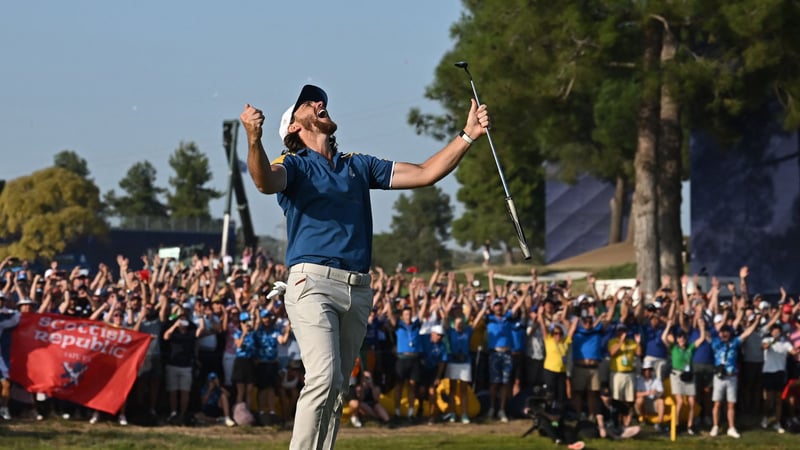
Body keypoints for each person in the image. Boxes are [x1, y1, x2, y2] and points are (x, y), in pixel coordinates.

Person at [240, 84, 490, 450]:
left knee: (339, 385)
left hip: (357, 288)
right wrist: (253, 139)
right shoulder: (290, 164)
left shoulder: (357, 165)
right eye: (308, 103)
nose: (319, 102)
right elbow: (264, 182)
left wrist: (469, 135)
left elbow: (424, 173)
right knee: (324, 377)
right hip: (312, 283)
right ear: (294, 127)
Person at [661, 315, 706, 434]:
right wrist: (668, 326)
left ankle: (690, 426)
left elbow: (701, 339)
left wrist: (701, 327)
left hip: (688, 375)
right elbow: (664, 338)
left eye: (683, 338)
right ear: (677, 339)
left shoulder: (690, 348)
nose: (681, 340)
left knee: (692, 402)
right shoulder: (674, 348)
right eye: (679, 337)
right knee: (680, 401)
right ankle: (675, 424)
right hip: (676, 375)